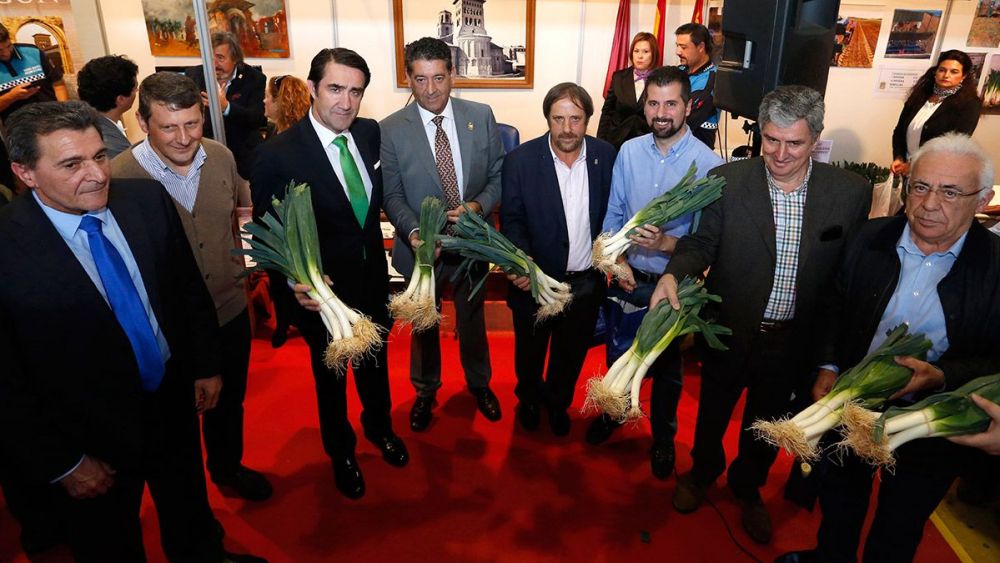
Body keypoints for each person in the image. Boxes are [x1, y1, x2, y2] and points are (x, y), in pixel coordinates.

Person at [0, 100, 263, 562]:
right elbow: (5, 379)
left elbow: (187, 290)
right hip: (86, 432)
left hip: (170, 399)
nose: (97, 175)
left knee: (187, 503)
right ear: (25, 173)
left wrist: (205, 365)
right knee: (109, 542)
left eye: (100, 156)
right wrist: (61, 462)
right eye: (72, 164)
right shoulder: (7, 246)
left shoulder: (145, 201)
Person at [650, 85, 871, 544]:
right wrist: (673, 274)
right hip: (728, 328)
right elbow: (700, 243)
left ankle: (747, 485)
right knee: (712, 411)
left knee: (766, 421)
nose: (781, 154)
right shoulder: (728, 181)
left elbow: (841, 286)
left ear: (816, 140)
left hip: (793, 340)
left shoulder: (849, 193)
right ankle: (702, 471)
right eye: (771, 140)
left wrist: (830, 359)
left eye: (795, 143)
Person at [777, 133, 1000, 563]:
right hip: (854, 400)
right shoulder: (870, 238)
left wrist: (942, 377)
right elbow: (834, 304)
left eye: (950, 192)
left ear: (982, 199)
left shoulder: (995, 267)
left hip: (934, 420)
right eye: (921, 186)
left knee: (902, 519)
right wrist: (828, 364)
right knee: (840, 497)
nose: (929, 204)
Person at [251, 48, 408, 500]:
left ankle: (379, 427)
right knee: (332, 377)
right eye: (336, 89)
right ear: (313, 88)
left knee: (375, 364)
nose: (346, 102)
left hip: (373, 280)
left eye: (355, 91)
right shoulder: (276, 155)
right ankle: (341, 451)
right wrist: (292, 283)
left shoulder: (370, 134)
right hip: (321, 295)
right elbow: (267, 233)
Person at [111, 71, 272, 502]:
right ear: (142, 122)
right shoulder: (117, 178)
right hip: (165, 329)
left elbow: (231, 228)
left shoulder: (221, 157)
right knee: (174, 423)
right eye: (169, 127)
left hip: (228, 312)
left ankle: (227, 467)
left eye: (193, 124)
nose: (184, 138)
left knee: (229, 402)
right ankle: (188, 503)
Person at [585, 66, 723, 478]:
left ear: (688, 106)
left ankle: (663, 438)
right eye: (653, 103)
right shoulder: (629, 151)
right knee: (619, 351)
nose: (661, 113)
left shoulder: (710, 166)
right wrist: (617, 259)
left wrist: (665, 244)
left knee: (665, 370)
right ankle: (613, 412)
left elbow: (708, 244)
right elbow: (614, 212)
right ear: (644, 106)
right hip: (627, 279)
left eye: (671, 104)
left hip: (673, 287)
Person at [381, 37, 505, 432]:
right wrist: (416, 232)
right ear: (408, 79)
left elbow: (498, 176)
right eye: (421, 79)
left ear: (452, 74)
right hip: (422, 248)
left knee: (472, 319)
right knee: (424, 324)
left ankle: (479, 384)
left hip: (471, 243)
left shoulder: (480, 116)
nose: (431, 89)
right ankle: (425, 391)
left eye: (438, 77)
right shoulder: (390, 129)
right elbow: (391, 194)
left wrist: (478, 206)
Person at [500, 83, 616, 436]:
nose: (567, 128)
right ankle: (529, 399)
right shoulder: (520, 160)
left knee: (571, 353)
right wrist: (521, 262)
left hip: (584, 282)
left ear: (588, 119)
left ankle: (557, 404)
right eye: (558, 119)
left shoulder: (606, 156)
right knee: (530, 351)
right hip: (535, 280)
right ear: (548, 119)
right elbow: (512, 219)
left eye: (575, 119)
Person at [260, 73, 312, 349]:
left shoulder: (300, 139)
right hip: (277, 223)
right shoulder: (272, 132)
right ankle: (284, 322)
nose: (264, 103)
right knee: (280, 279)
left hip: (297, 223)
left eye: (267, 97)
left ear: (280, 102)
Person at [185, 32, 266, 182]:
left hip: (243, 156)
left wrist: (226, 107)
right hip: (206, 156)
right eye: (210, 59)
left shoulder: (254, 78)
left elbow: (256, 118)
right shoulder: (194, 75)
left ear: (235, 59)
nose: (214, 64)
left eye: (220, 58)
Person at [890, 50, 981, 177]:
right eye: (942, 70)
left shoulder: (969, 104)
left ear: (963, 76)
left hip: (938, 173)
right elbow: (899, 131)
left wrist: (916, 166)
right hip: (906, 169)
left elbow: (954, 145)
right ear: (935, 72)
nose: (946, 75)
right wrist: (899, 158)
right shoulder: (919, 96)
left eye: (954, 72)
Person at [597, 32, 658, 150]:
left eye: (645, 52)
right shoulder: (619, 77)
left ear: (653, 54)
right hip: (616, 141)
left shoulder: (660, 80)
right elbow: (607, 112)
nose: (640, 56)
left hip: (646, 145)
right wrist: (600, 142)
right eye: (636, 51)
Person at [0, 23, 69, 123]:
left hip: (54, 119)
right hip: (19, 127)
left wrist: (64, 113)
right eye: (0, 50)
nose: (6, 53)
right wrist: (12, 96)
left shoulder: (33, 52)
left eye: (9, 46)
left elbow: (58, 84)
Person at [77, 55, 139, 159]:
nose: (137, 92)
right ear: (121, 99)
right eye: (135, 88)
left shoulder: (81, 120)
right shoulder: (115, 147)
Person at [675, 23, 719, 149]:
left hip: (696, 152)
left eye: (683, 47)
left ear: (700, 47)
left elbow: (685, 120)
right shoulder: (680, 70)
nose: (678, 52)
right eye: (677, 46)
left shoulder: (712, 80)